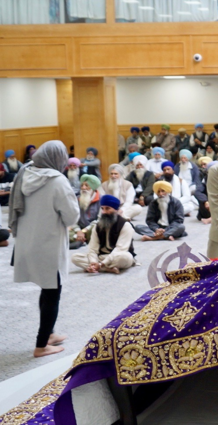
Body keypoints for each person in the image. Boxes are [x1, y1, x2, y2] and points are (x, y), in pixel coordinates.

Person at [7, 141, 78, 358]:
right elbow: (72, 216)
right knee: (52, 293)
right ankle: (41, 345)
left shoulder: (24, 172)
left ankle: (49, 334)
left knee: (46, 288)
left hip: (28, 243)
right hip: (49, 245)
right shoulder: (57, 181)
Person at [71, 195, 137, 274]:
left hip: (117, 256)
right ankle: (107, 268)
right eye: (102, 208)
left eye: (107, 208)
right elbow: (92, 249)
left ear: (116, 210)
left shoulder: (125, 225)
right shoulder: (97, 226)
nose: (104, 212)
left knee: (125, 258)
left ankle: (99, 267)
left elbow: (120, 249)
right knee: (75, 257)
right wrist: (93, 262)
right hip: (101, 256)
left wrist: (102, 264)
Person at [74, 174, 102, 243]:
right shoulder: (76, 199)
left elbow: (99, 220)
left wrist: (84, 231)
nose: (83, 188)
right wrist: (78, 230)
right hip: (78, 229)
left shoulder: (101, 200)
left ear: (93, 187)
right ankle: (79, 239)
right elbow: (72, 217)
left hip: (92, 227)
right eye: (82, 185)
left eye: (86, 185)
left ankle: (79, 240)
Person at [195, 155, 212, 224]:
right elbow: (198, 191)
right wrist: (205, 201)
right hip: (208, 206)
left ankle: (212, 219)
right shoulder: (206, 178)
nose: (203, 166)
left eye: (204, 164)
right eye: (201, 165)